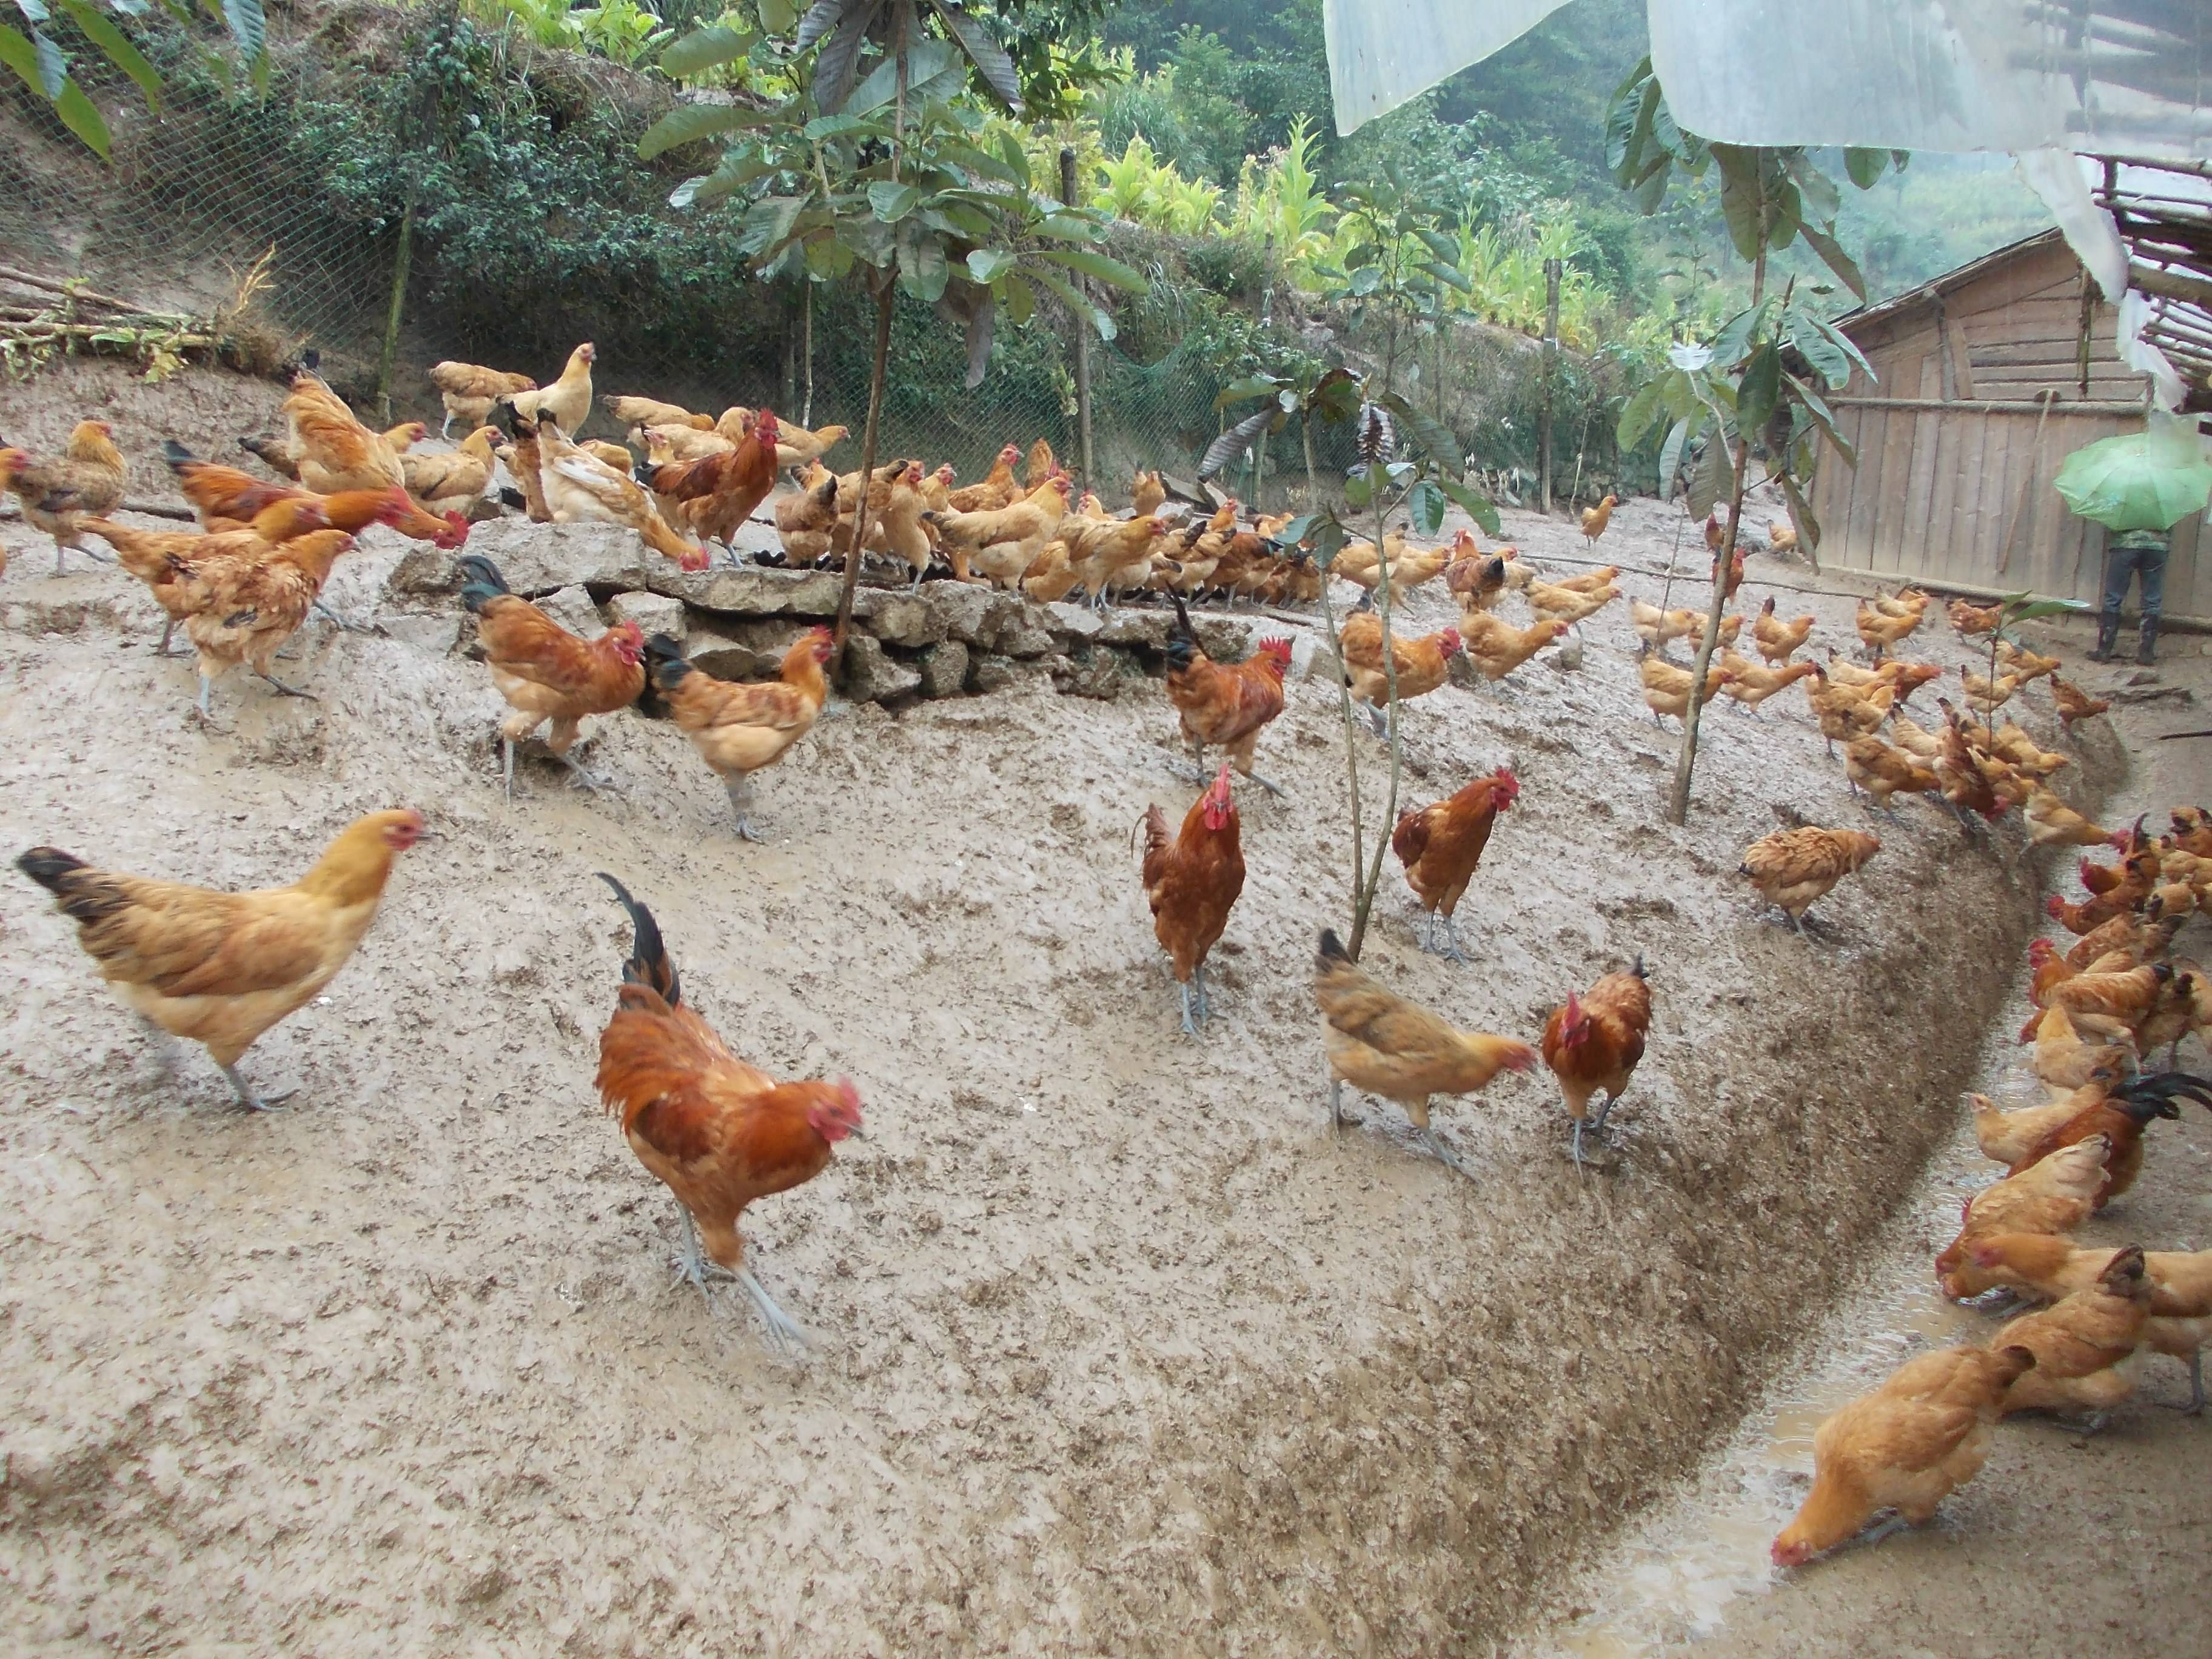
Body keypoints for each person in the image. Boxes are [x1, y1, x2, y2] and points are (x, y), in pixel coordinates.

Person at [2090, 524, 2172, 665]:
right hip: (2157, 546)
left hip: (2126, 544)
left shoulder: (2124, 501)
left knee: (2113, 597)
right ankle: (2146, 654)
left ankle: (2104, 651)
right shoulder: (2168, 501)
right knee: (2152, 601)